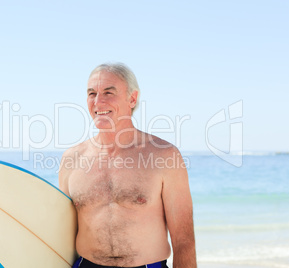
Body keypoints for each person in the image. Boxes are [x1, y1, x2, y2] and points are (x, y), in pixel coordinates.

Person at [59, 63, 196, 268]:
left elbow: (183, 241)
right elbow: (61, 237)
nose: (98, 101)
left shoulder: (164, 156)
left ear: (132, 98)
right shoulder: (71, 159)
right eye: (92, 93)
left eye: (108, 92)